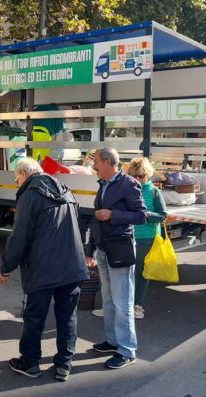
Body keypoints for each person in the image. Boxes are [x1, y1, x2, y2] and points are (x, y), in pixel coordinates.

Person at [0, 158, 89, 381]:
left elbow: (20, 236)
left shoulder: (30, 195)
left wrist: (6, 267)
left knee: (35, 317)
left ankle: (30, 363)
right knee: (67, 317)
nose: (17, 182)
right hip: (71, 266)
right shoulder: (66, 191)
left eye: (16, 177)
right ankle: (64, 365)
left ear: (24, 174)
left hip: (43, 268)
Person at [86, 148, 147, 370]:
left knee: (122, 302)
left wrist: (114, 215)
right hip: (103, 248)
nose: (94, 166)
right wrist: (90, 249)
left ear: (109, 162)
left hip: (120, 248)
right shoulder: (103, 184)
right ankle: (113, 341)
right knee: (109, 300)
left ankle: (127, 350)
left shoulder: (129, 184)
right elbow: (96, 220)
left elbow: (141, 215)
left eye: (97, 162)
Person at [125, 158, 167, 320]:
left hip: (146, 237)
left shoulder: (154, 191)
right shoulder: (126, 189)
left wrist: (146, 215)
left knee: (142, 272)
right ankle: (122, 304)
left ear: (147, 175)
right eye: (134, 176)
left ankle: (137, 305)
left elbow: (163, 215)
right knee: (124, 272)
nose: (138, 180)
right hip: (127, 236)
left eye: (141, 176)